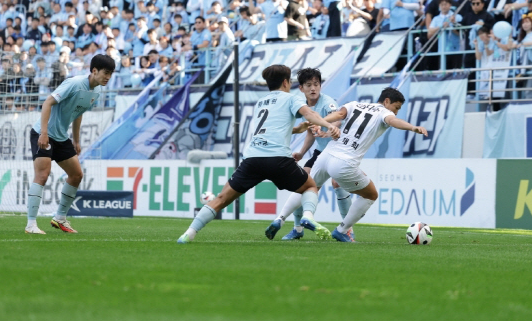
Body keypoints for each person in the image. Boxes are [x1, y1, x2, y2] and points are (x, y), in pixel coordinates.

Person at [177, 65, 340, 243]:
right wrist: (330, 125)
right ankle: (308, 216)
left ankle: (189, 233)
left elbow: (271, 129)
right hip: (278, 159)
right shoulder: (291, 99)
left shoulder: (261, 103)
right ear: (286, 82)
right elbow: (309, 114)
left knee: (222, 198)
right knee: (310, 186)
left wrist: (297, 129)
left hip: (252, 159)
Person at [267, 88, 428, 243]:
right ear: (387, 101)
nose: (396, 112)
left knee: (307, 187)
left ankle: (279, 219)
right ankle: (342, 230)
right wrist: (412, 127)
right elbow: (394, 121)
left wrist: (314, 121)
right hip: (344, 162)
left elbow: (336, 115)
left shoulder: (354, 104)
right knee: (371, 195)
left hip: (326, 155)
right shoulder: (385, 113)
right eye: (396, 107)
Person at [25, 54, 116, 234]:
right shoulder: (74, 83)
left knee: (76, 174)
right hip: (43, 133)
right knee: (43, 175)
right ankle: (31, 224)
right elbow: (48, 103)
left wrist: (76, 139)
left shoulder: (96, 91)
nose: (108, 77)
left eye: (111, 74)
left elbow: (79, 112)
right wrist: (44, 133)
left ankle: (60, 218)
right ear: (94, 70)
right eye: (106, 72)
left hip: (60, 136)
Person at [276, 67, 346, 241]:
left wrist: (328, 131)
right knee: (303, 183)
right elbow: (310, 132)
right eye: (309, 85)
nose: (313, 88)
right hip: (321, 152)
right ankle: (298, 229)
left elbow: (337, 119)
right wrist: (301, 152)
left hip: (338, 150)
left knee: (337, 183)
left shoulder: (327, 102)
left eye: (316, 84)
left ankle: (346, 229)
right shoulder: (302, 105)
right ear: (301, 88)